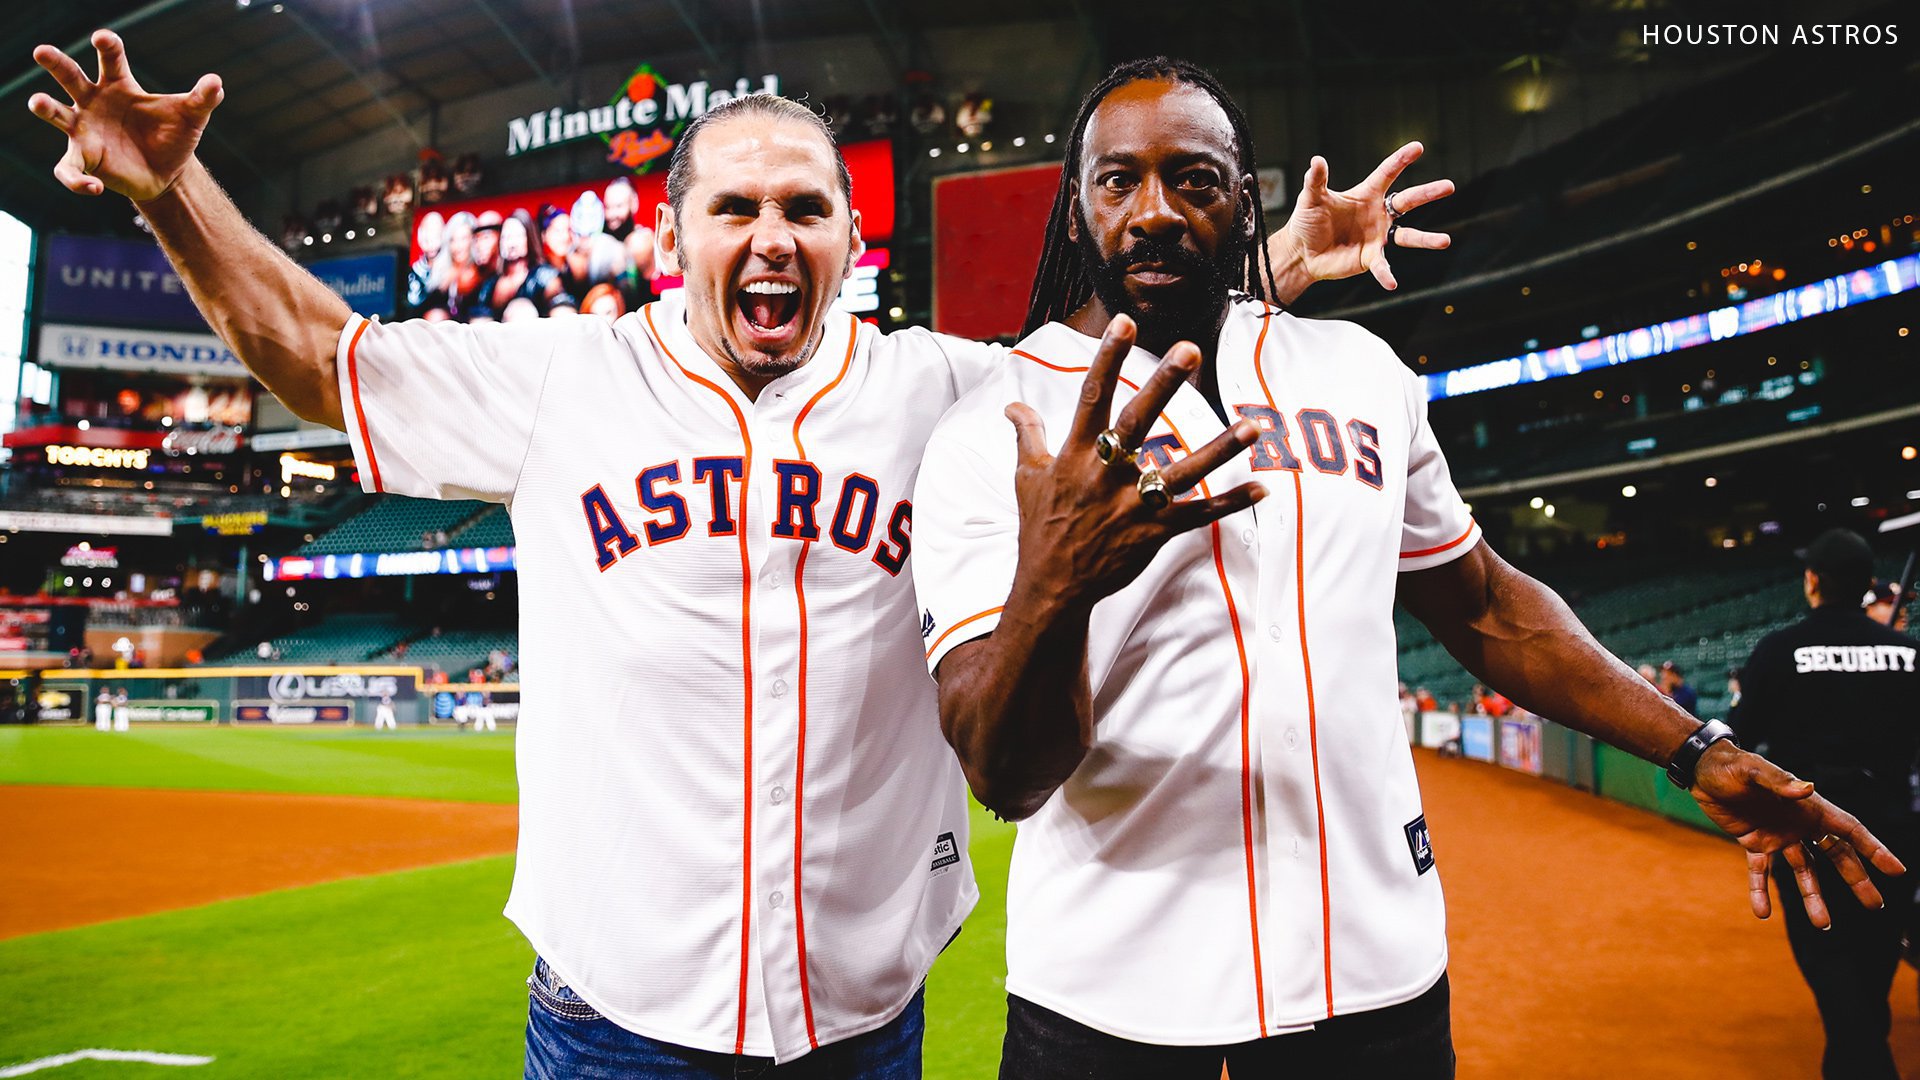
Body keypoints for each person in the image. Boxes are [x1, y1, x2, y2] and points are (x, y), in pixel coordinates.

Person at [28, 32, 1457, 1077]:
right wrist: (173, 194)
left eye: (804, 210)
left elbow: (1126, 336)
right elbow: (313, 352)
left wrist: (1273, 271)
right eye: (737, 209)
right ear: (678, 232)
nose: (771, 239)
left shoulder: (946, 392)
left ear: (850, 237)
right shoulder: (561, 381)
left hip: (861, 1026)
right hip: (611, 1030)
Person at [911, 57, 1904, 1078]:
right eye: (1117, 180)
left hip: (1374, 985)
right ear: (1075, 213)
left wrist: (1696, 747)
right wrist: (1058, 579)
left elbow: (1486, 606)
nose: (1155, 210)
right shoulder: (998, 427)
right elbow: (1005, 772)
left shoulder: (1358, 373)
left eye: (1196, 179)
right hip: (1107, 1006)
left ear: (1246, 205)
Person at [1728, 529, 1920, 1079]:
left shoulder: (1782, 647)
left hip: (1812, 831)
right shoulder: (1908, 654)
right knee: (1877, 960)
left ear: (1812, 581)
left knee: (1829, 962)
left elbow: (1741, 739)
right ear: (1865, 586)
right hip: (1895, 831)